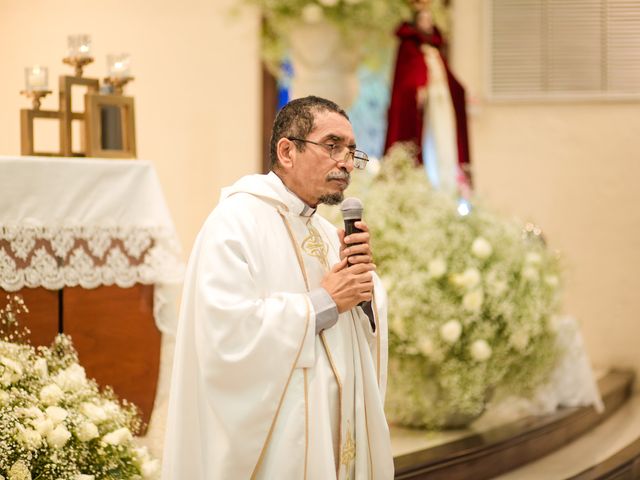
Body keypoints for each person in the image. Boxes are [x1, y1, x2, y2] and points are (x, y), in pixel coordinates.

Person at [162, 96, 393, 479]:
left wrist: (364, 285)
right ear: (287, 151)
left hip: (332, 429)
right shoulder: (234, 224)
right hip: (282, 441)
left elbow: (361, 324)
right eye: (332, 146)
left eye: (352, 151)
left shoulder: (326, 231)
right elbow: (225, 335)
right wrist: (324, 302)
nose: (346, 163)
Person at [384, 0, 472, 193]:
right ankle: (424, 181)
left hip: (441, 102)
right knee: (427, 142)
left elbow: (448, 79)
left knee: (445, 139)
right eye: (423, 19)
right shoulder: (409, 47)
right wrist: (418, 90)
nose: (427, 23)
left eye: (429, 19)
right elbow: (406, 81)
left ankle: (447, 183)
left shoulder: (435, 50)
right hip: (424, 107)